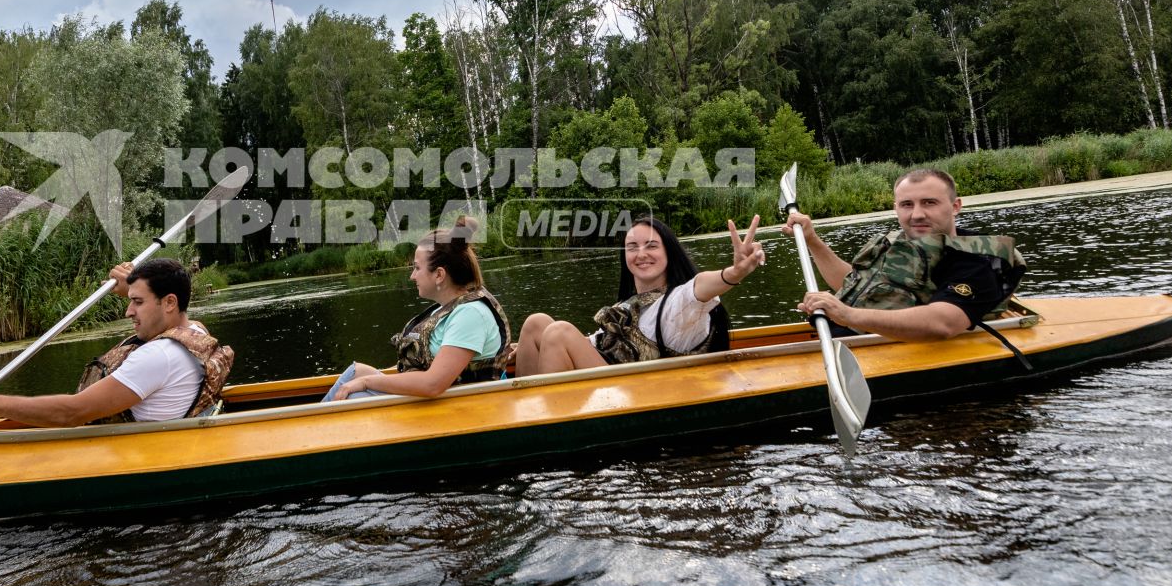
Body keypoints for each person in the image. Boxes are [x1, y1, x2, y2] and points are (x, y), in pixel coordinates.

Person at [0, 258, 233, 427]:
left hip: (127, 451)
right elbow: (172, 316)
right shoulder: (195, 331)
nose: (128, 311)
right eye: (131, 300)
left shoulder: (157, 357)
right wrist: (133, 288)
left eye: (137, 302)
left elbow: (72, 412)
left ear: (169, 302)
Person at [783, 168, 1025, 341]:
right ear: (895, 207)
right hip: (849, 339)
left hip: (887, 350)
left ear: (955, 206)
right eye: (907, 204)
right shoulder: (899, 242)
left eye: (929, 203)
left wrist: (848, 314)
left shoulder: (976, 260)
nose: (917, 214)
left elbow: (945, 323)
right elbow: (852, 284)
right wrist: (812, 240)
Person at [512, 215, 765, 376]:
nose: (641, 253)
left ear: (669, 252)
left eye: (652, 246)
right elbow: (596, 344)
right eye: (632, 247)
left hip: (637, 396)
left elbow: (701, 286)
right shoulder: (627, 306)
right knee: (537, 324)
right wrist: (532, 346)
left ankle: (545, 426)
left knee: (559, 332)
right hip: (612, 380)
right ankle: (523, 411)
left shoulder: (680, 302)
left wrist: (733, 273)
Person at [324, 219, 510, 401]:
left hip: (460, 410)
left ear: (439, 275)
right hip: (435, 403)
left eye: (417, 268)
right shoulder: (450, 309)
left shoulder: (470, 315)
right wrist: (363, 378)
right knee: (356, 372)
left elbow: (433, 384)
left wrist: (367, 383)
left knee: (356, 393)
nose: (412, 276)